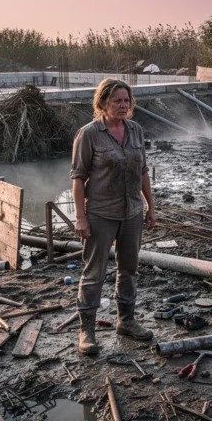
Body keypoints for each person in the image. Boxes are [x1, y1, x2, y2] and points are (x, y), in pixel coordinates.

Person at [69, 78, 157, 355]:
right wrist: (80, 217)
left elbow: (143, 171)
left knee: (129, 269)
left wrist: (150, 207)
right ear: (103, 103)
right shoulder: (89, 134)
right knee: (94, 273)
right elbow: (78, 178)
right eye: (117, 100)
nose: (123, 105)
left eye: (126, 101)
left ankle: (126, 321)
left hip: (131, 212)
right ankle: (87, 331)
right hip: (101, 214)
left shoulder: (135, 131)